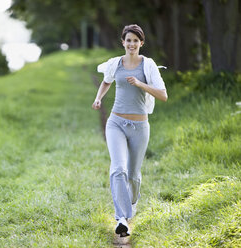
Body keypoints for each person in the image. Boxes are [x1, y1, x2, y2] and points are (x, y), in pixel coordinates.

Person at [92, 24, 168, 237]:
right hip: (116, 122)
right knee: (118, 169)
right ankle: (122, 218)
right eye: (128, 40)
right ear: (123, 43)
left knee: (133, 175)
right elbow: (106, 81)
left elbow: (163, 95)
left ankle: (131, 204)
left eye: (136, 40)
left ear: (141, 43)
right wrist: (98, 99)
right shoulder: (116, 64)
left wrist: (140, 84)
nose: (132, 44)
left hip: (140, 127)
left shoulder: (148, 66)